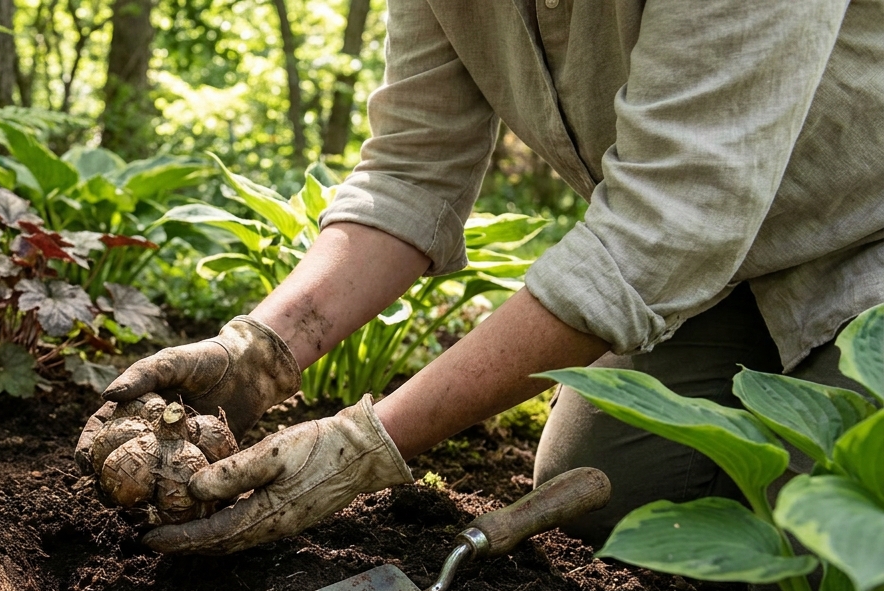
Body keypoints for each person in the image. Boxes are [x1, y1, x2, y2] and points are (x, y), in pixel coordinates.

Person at [93, 0, 884, 556]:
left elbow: (666, 224)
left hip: (864, 245)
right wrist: (260, 351)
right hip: (726, 278)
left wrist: (364, 445)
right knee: (614, 491)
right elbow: (412, 170)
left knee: (826, 562)